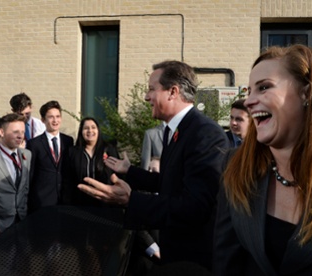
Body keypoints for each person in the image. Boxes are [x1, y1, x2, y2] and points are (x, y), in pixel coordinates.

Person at [78, 60, 229, 270]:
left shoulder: (205, 134)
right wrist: (129, 172)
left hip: (193, 260)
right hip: (175, 252)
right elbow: (170, 181)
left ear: (172, 92)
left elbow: (195, 207)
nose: (146, 96)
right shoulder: (173, 130)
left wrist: (131, 201)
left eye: (151, 89)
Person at [213, 45, 312, 275]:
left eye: (264, 87)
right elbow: (227, 260)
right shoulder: (236, 167)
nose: (249, 101)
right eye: (248, 91)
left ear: (307, 93)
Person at [0, 113, 32, 240]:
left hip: (24, 223)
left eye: (22, 131)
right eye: (15, 131)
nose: (20, 136)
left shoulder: (27, 155)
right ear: (1, 132)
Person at [26, 100, 74, 213]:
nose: (55, 120)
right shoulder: (34, 144)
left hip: (64, 200)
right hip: (42, 200)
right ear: (43, 120)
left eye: (58, 116)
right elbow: (31, 174)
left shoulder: (68, 141)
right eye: (51, 117)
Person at [63, 117, 119, 206]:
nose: (90, 131)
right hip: (79, 203)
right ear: (81, 132)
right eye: (86, 128)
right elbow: (67, 180)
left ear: (98, 130)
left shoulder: (109, 149)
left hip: (106, 203)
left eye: (93, 127)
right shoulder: (73, 152)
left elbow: (117, 176)